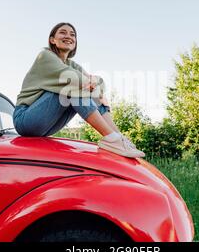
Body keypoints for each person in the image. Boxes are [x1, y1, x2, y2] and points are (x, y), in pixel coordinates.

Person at [13, 22, 145, 158]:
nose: (68, 36)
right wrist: (92, 83)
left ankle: (118, 138)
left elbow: (100, 84)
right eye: (63, 32)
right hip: (25, 119)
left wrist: (95, 87)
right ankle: (111, 138)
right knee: (74, 88)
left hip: (46, 125)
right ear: (52, 39)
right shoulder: (45, 56)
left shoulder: (72, 64)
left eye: (72, 34)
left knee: (91, 93)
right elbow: (75, 80)